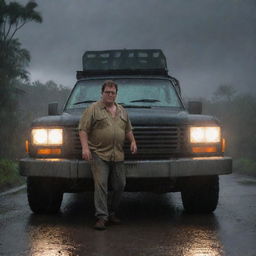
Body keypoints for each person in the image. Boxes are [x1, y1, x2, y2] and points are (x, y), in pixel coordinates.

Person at [78, 80, 137, 230]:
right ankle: (101, 218)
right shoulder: (93, 109)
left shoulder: (122, 111)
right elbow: (83, 129)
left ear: (116, 94)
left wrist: (133, 141)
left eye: (113, 92)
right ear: (102, 93)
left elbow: (128, 129)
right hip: (99, 153)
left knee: (120, 185)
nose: (110, 95)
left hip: (118, 155)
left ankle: (111, 212)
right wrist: (85, 148)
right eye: (107, 92)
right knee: (101, 185)